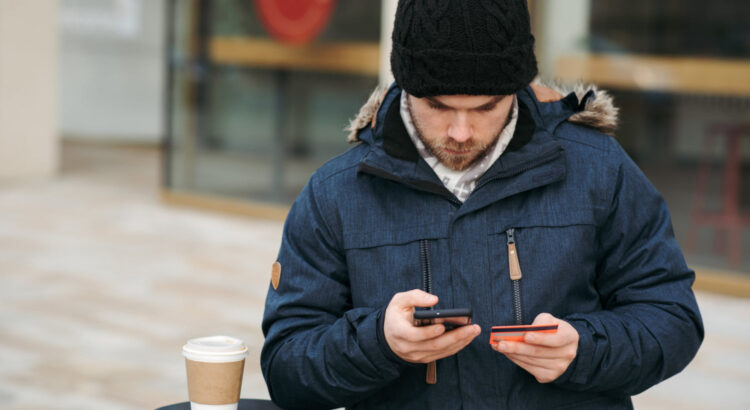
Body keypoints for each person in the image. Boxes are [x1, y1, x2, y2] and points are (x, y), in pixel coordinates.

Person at [260, 1, 704, 409]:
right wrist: (378, 343)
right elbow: (286, 368)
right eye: (438, 106)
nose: (460, 132)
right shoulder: (336, 192)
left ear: (517, 87)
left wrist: (586, 349)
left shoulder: (599, 168)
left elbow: (673, 318)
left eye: (485, 107)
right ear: (405, 85)